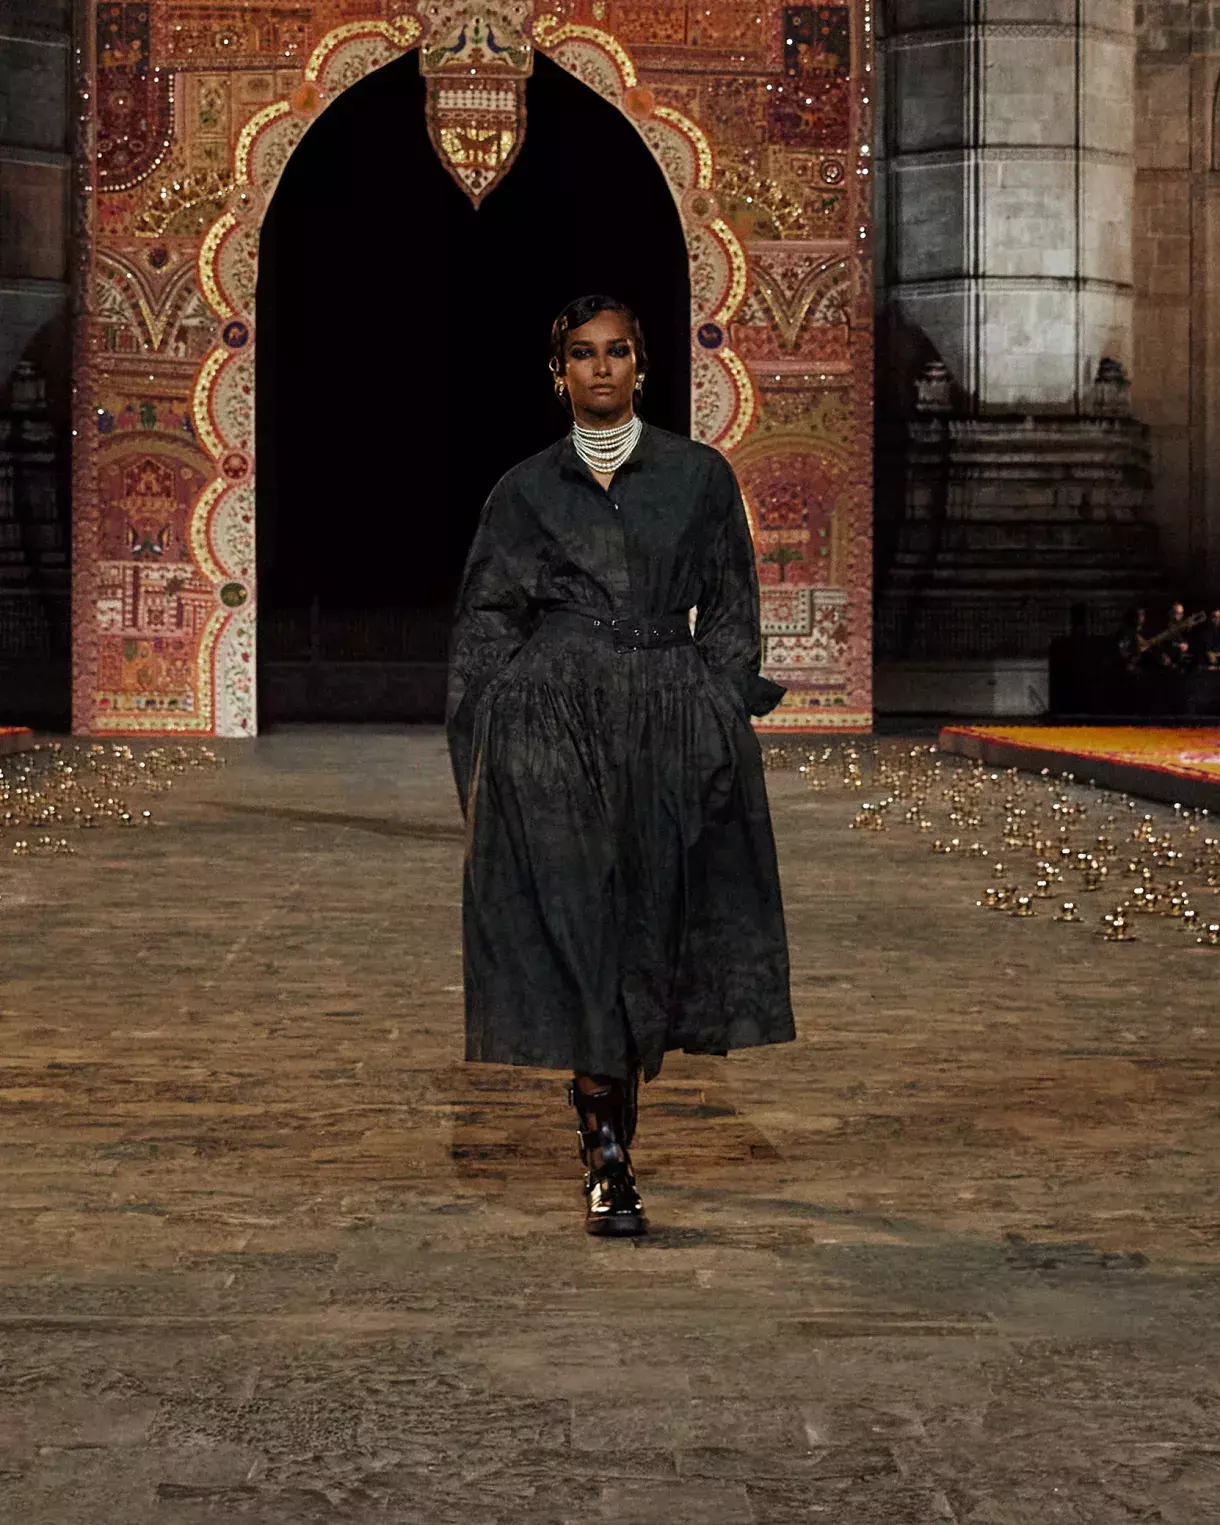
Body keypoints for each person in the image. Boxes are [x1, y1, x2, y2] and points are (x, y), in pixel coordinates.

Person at [445, 294, 795, 1237]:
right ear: (556, 372)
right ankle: (605, 1151)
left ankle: (613, 1116)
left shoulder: (698, 476)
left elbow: (733, 606)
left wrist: (717, 702)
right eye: (581, 353)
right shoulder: (525, 490)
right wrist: (492, 733)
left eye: (617, 352)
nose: (600, 368)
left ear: (642, 364)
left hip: (668, 719)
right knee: (580, 920)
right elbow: (485, 620)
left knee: (651, 918)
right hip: (554, 726)